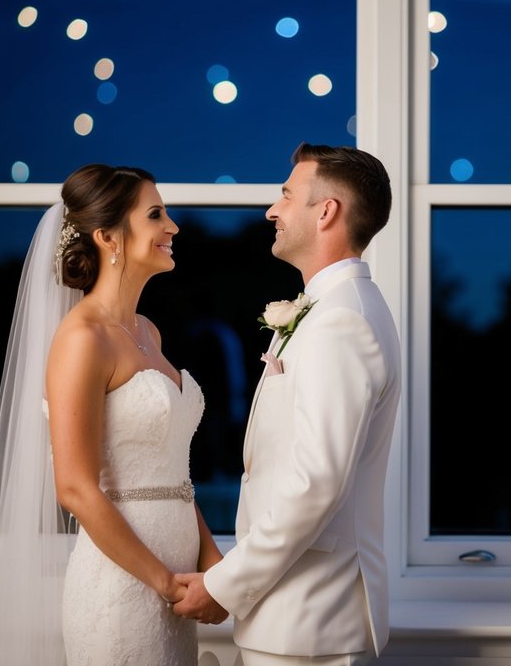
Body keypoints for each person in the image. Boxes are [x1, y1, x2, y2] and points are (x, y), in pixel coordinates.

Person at [0, 164, 222, 665]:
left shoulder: (148, 332)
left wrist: (212, 564)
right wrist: (165, 584)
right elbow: (76, 487)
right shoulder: (81, 339)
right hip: (121, 593)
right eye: (156, 215)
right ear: (108, 235)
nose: (172, 227)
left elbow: (170, 473)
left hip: (176, 587)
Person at [172, 144, 402, 666]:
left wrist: (225, 584)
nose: (272, 211)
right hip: (292, 615)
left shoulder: (343, 320)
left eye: (286, 195)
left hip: (312, 621)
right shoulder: (331, 310)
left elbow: (316, 482)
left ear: (327, 212)